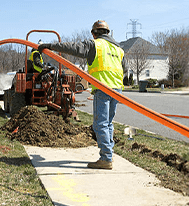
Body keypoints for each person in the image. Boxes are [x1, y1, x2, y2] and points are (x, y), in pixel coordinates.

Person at [39, 20, 128, 170]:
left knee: (100, 124)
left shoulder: (95, 45)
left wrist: (50, 46)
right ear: (108, 32)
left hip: (103, 88)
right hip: (117, 90)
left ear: (94, 34)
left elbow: (72, 48)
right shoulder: (118, 48)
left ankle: (106, 158)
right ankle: (109, 155)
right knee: (108, 123)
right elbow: (125, 68)